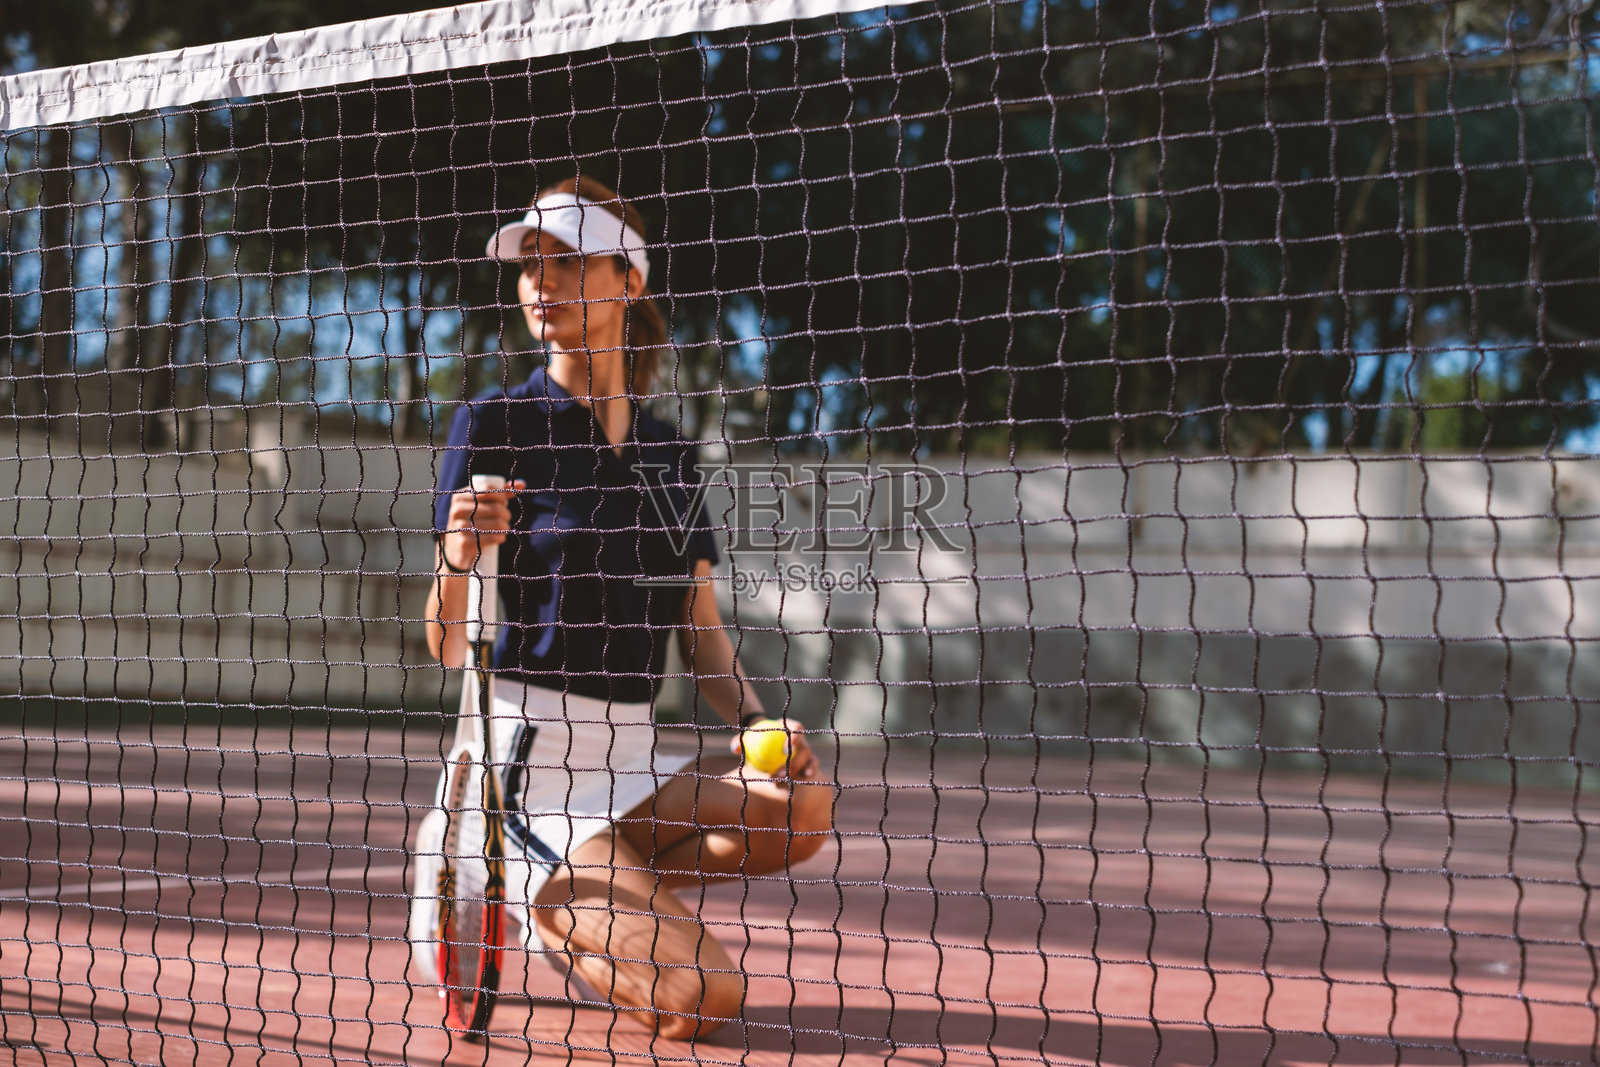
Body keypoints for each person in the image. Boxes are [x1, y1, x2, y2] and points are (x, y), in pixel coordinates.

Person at [409, 177, 835, 1041]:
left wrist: (762, 724)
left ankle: (604, 891)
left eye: (565, 262)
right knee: (704, 999)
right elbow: (447, 643)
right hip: (528, 770)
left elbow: (703, 636)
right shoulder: (492, 423)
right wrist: (457, 557)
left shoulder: (672, 455)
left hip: (635, 761)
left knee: (799, 807)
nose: (541, 282)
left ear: (627, 281)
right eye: (531, 265)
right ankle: (502, 868)